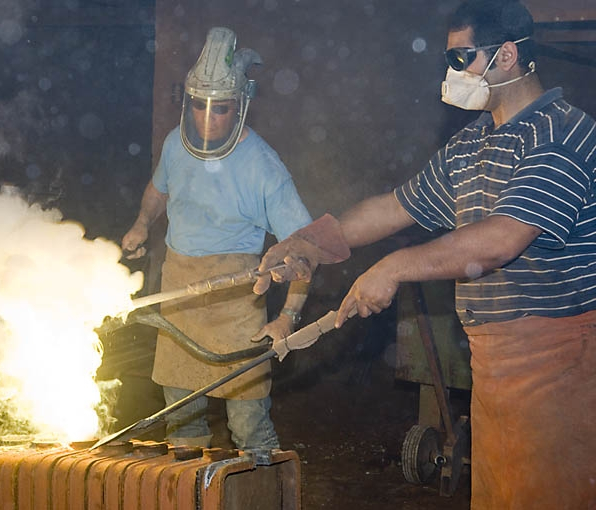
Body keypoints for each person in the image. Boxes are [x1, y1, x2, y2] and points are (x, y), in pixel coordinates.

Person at [255, 1, 596, 507]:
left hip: (559, 366)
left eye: (461, 60)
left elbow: (503, 237)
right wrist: (309, 242)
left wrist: (394, 267)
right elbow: (394, 207)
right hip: (494, 367)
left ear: (506, 56)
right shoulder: (472, 145)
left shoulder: (563, 133)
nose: (450, 73)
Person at [122, 27, 312, 450]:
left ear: (241, 104)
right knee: (181, 430)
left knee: (248, 428)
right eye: (198, 106)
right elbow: (158, 191)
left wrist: (288, 317)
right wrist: (141, 223)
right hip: (178, 299)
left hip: (237, 302)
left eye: (220, 109)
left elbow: (305, 249)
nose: (207, 120)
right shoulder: (176, 145)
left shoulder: (264, 167)